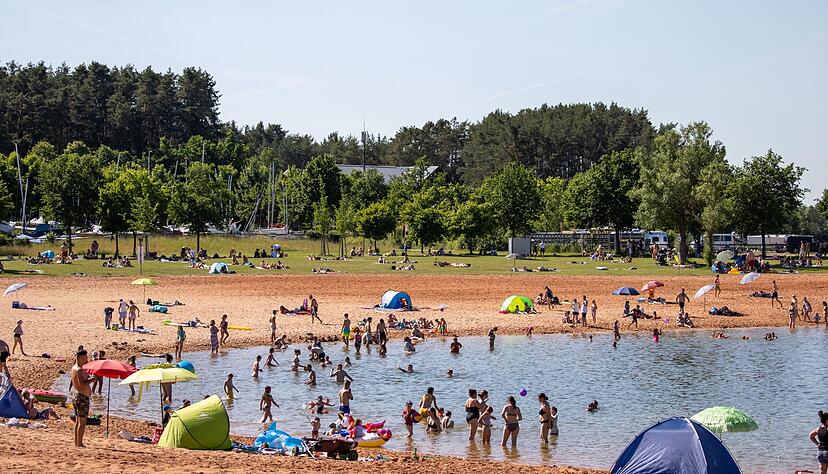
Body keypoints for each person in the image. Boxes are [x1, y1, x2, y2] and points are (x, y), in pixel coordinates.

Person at [71, 350, 92, 447]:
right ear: (78, 358)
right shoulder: (78, 369)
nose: (86, 360)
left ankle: (77, 442)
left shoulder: (74, 368)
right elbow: (82, 384)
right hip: (81, 397)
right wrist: (92, 379)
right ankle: (79, 443)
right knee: (82, 422)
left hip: (77, 395)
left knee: (78, 421)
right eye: (84, 358)